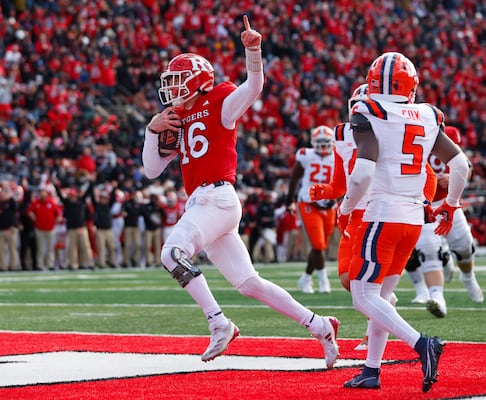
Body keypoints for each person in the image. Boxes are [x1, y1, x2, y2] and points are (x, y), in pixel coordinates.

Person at [141, 15, 339, 368]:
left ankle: (219, 323)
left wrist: (253, 51)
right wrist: (150, 132)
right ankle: (320, 325)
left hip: (216, 197)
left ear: (199, 82)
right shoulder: (176, 116)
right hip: (205, 203)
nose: (172, 90)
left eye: (178, 81)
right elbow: (152, 169)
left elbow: (254, 87)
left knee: (171, 254)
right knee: (249, 283)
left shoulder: (221, 100)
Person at [338, 52, 468, 392]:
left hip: (382, 214)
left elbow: (363, 171)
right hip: (413, 219)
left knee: (363, 297)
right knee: (379, 296)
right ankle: (371, 370)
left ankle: (422, 343)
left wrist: (345, 207)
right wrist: (450, 205)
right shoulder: (426, 113)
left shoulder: (368, 110)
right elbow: (461, 165)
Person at [406, 125, 483, 318]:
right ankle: (437, 297)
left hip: (447, 202)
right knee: (428, 249)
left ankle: (468, 277)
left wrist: (453, 176)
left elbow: (467, 166)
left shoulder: (446, 135)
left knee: (464, 246)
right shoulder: (408, 138)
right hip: (422, 203)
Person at [286, 125, 336, 293]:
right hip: (308, 203)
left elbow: (344, 181)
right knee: (318, 244)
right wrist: (289, 200)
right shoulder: (306, 155)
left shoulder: (338, 156)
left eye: (326, 143)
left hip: (329, 204)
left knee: (320, 247)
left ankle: (306, 278)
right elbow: (294, 179)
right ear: (313, 142)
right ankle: (323, 281)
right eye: (319, 143)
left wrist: (337, 197)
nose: (323, 146)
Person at [27, 185, 61, 270]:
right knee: (40, 248)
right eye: (41, 192)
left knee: (50, 248)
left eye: (43, 192)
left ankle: (50, 264)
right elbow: (29, 212)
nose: (42, 194)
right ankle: (40, 265)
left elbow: (58, 213)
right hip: (39, 228)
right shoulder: (36, 203)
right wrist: (33, 217)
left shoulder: (51, 202)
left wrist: (56, 221)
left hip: (50, 228)